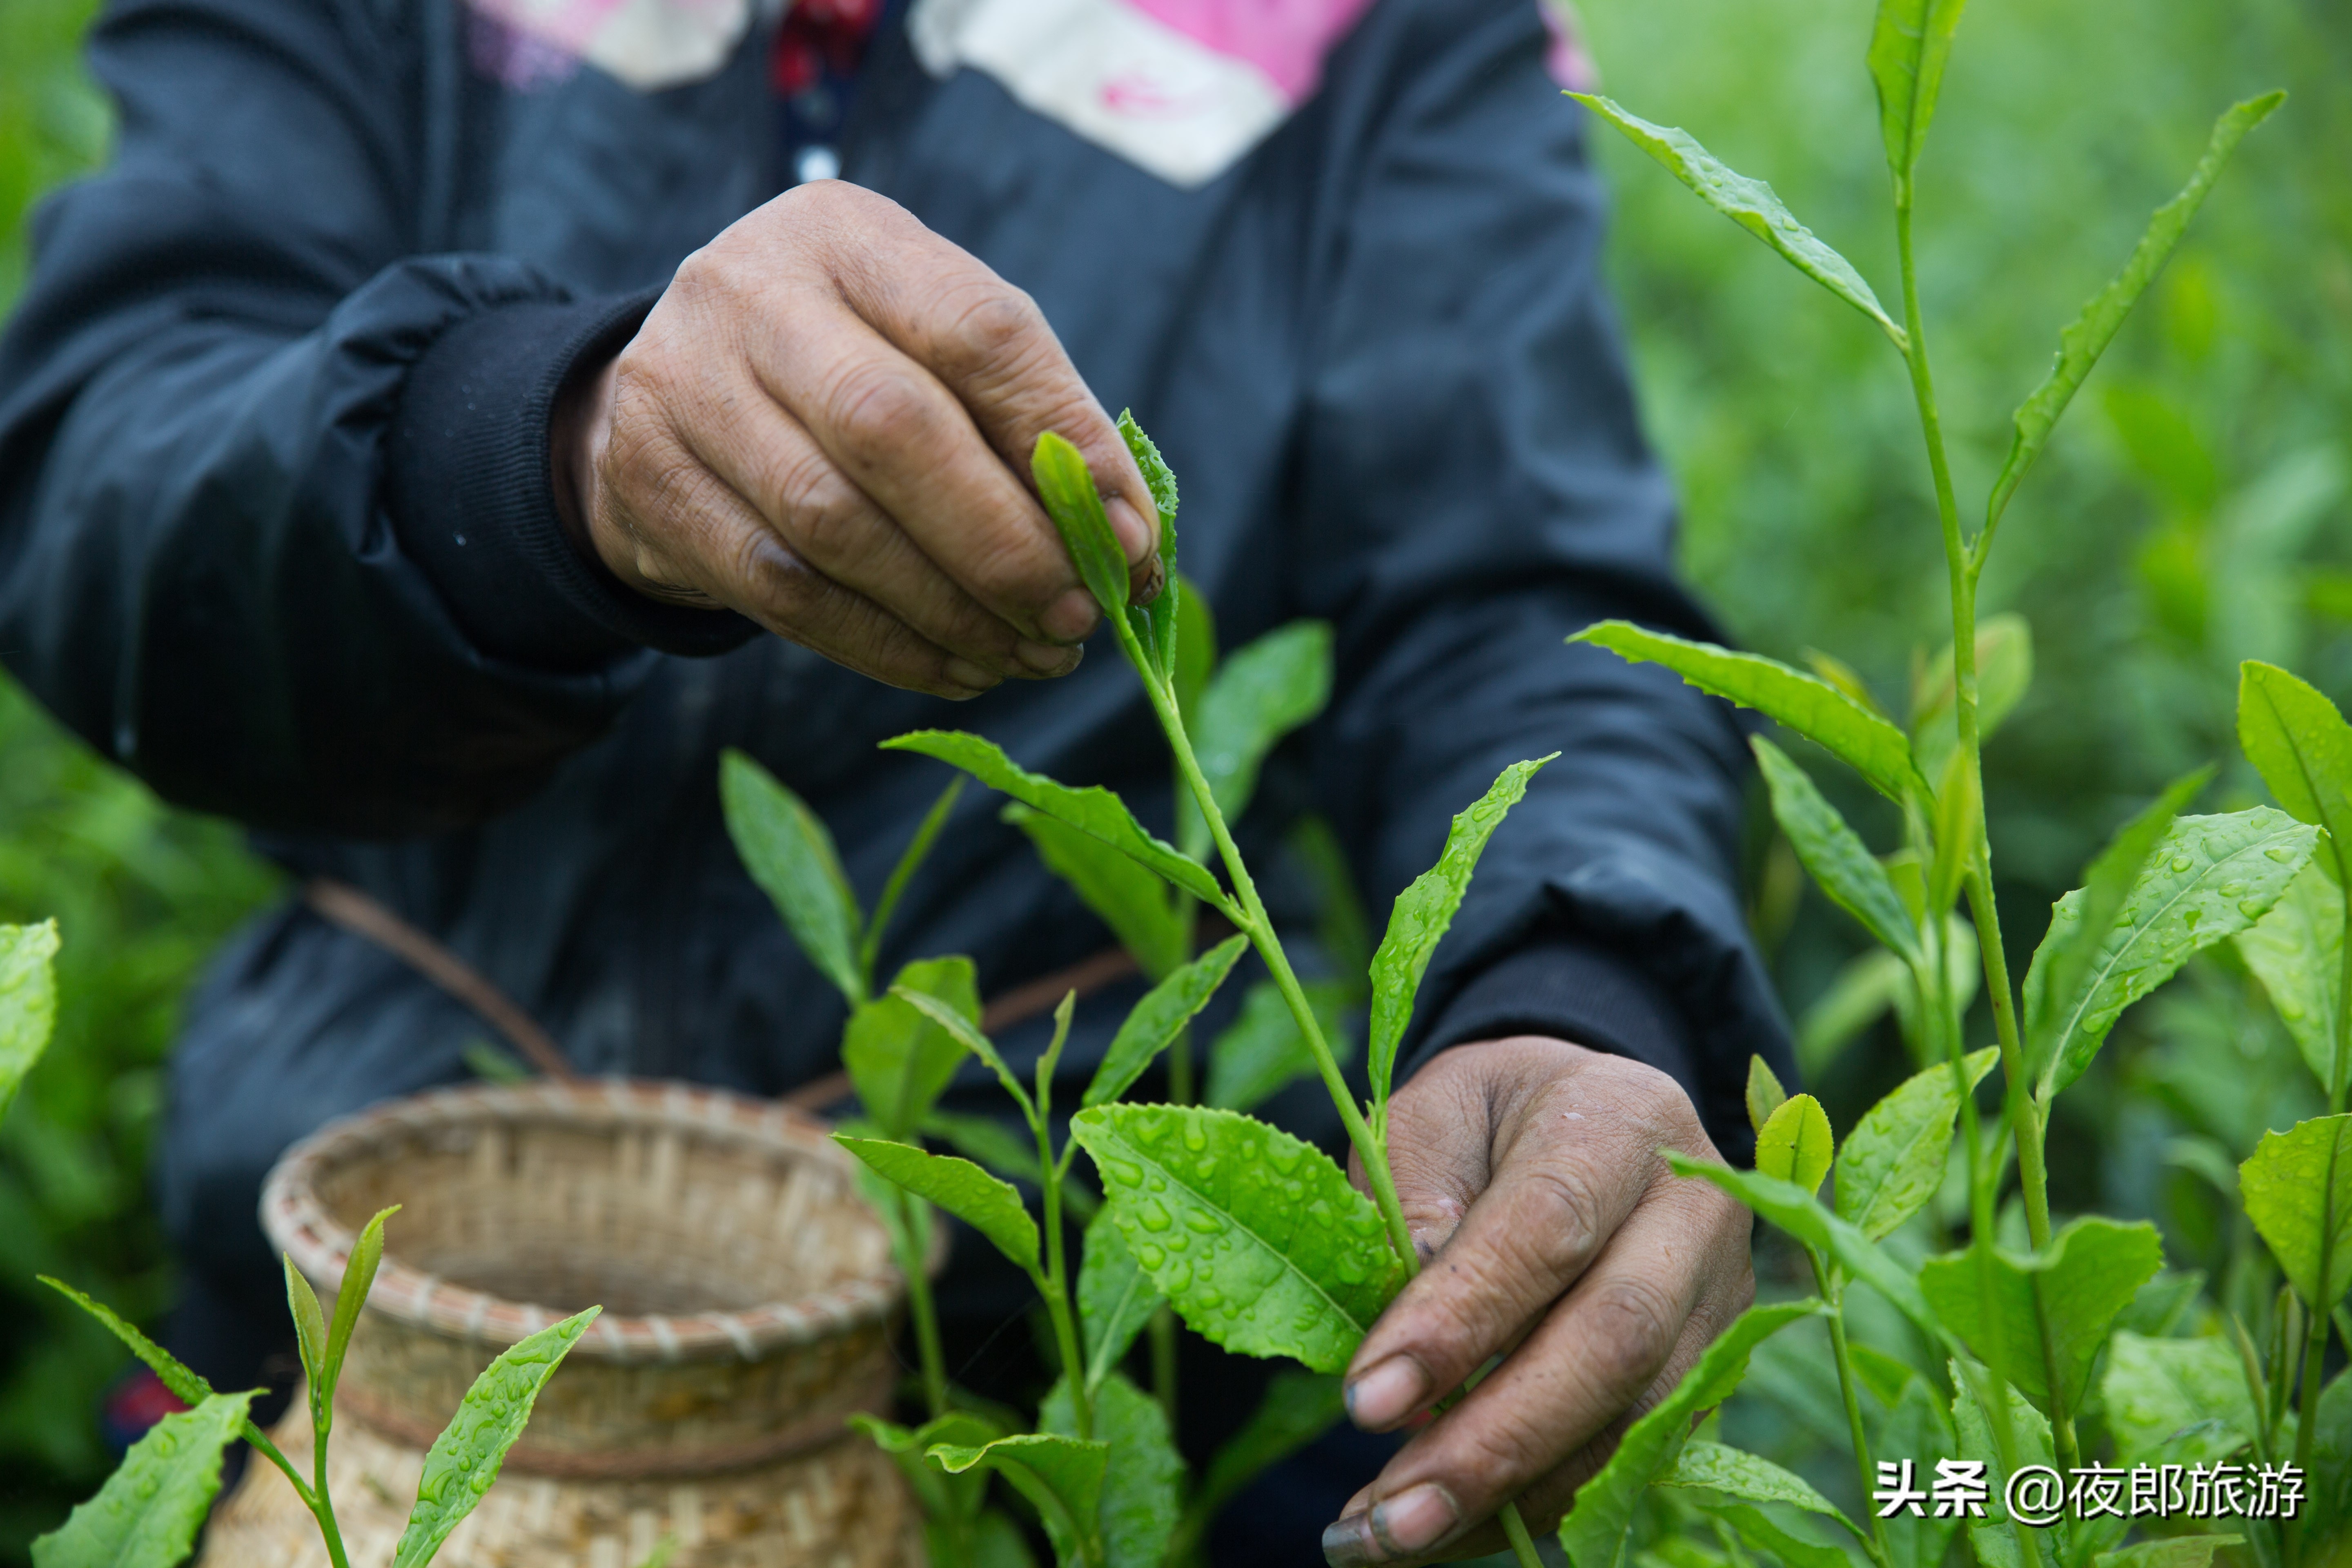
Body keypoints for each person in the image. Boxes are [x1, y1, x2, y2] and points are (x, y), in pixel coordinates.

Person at [0, 0, 1788, 1561]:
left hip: (1079, 1364)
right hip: (362, 1309)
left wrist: (1576, 983)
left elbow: (1517, 610)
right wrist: (548, 451)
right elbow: (103, 484)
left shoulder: (1378, 28)